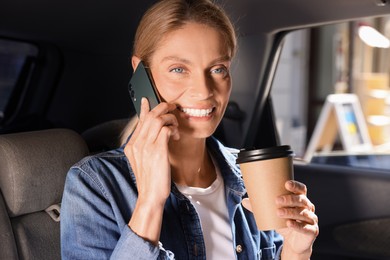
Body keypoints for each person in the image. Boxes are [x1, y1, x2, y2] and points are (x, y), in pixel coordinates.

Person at [61, 0, 319, 259]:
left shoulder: (251, 174)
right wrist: (150, 201)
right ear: (141, 74)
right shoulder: (94, 184)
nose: (204, 90)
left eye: (218, 69)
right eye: (179, 69)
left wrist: (297, 250)